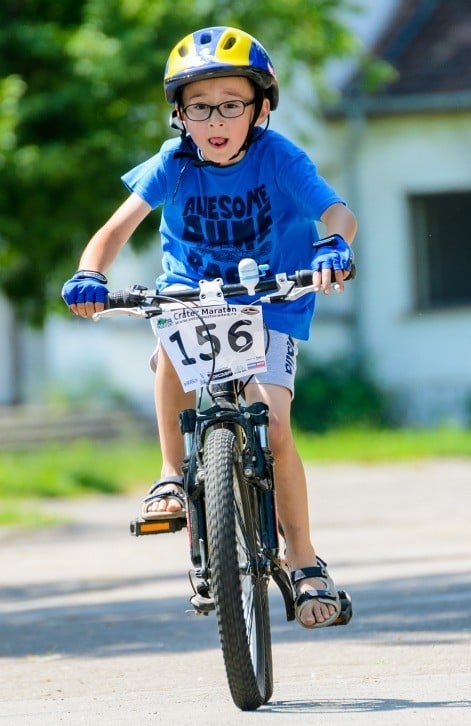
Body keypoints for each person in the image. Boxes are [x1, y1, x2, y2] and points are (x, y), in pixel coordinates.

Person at [62, 25, 357, 629]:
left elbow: (337, 210)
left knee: (274, 427)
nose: (215, 120)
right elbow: (115, 230)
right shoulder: (173, 163)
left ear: (261, 108)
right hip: (193, 296)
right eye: (199, 108)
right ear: (180, 115)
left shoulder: (280, 158)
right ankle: (172, 474)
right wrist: (90, 273)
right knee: (172, 343)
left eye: (231, 105)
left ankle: (302, 559)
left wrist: (333, 245)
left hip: (268, 300)